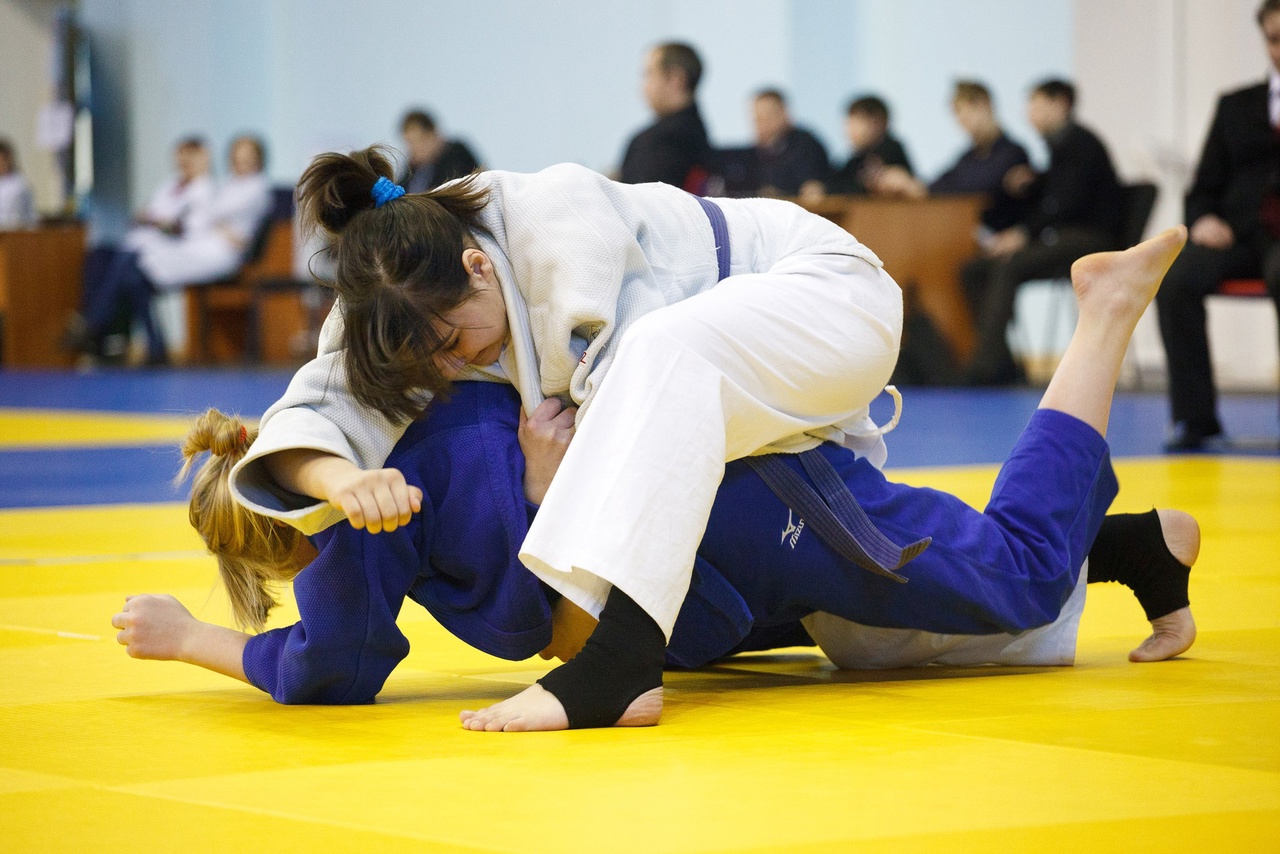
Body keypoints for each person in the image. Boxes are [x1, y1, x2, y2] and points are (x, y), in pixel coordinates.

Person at [111, 380, 1197, 707]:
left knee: (1011, 577)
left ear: (281, 545)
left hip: (729, 511)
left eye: (282, 571)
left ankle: (1100, 318)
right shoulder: (391, 408)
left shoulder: (347, 527)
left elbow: (332, 668)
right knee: (878, 635)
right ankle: (1133, 549)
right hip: (705, 577)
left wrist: (194, 638)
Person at [1155, 0, 1280, 451]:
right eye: (1274, 39)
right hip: (1237, 236)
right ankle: (1195, 420)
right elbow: (1203, 187)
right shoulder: (1235, 107)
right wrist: (1204, 218)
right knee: (1176, 280)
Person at [960, 79, 1125, 386]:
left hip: (1088, 238)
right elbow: (1057, 193)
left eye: (1036, 104)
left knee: (1009, 265)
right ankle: (1002, 361)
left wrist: (1023, 233)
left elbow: (1066, 204)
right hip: (1063, 236)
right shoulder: (1061, 147)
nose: (1029, 113)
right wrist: (1035, 182)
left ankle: (984, 367)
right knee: (974, 270)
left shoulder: (1080, 143)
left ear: (1060, 103)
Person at [68, 135, 270, 364]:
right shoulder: (227, 183)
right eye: (238, 154)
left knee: (133, 266)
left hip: (217, 254)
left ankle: (97, 326)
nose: (241, 160)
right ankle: (149, 345)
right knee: (130, 270)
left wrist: (209, 222)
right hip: (200, 246)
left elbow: (209, 216)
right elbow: (191, 217)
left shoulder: (255, 187)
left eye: (247, 155)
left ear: (258, 158)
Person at [876, 81, 1031, 233]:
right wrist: (908, 185)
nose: (961, 121)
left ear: (984, 104)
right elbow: (937, 186)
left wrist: (913, 187)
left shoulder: (1013, 153)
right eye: (957, 115)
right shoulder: (968, 158)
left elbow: (978, 189)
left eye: (966, 112)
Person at [619, 42, 714, 189]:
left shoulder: (658, 140)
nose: (643, 87)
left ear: (675, 79)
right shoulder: (697, 132)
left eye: (648, 74)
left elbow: (640, 199)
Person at [747, 89, 830, 198]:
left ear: (784, 113)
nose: (762, 124)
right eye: (758, 119)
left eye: (768, 117)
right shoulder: (753, 154)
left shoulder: (806, 146)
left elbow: (811, 188)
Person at [826, 96, 915, 196]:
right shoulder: (857, 159)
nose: (849, 130)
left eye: (856, 122)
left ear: (877, 122)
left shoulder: (888, 150)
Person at [398, 110, 481, 194]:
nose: (414, 148)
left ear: (433, 135)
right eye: (409, 143)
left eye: (418, 141)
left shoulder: (458, 159)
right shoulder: (412, 173)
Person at [0, 138, 37, 228]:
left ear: (8, 159)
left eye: (1, 160)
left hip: (15, 231)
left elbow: (30, 216)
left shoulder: (20, 185)